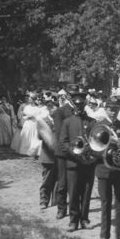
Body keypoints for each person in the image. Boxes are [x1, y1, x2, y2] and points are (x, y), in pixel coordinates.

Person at [96, 99, 120, 239]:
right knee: (105, 203)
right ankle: (104, 235)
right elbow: (91, 148)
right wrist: (105, 153)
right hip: (104, 169)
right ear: (106, 109)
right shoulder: (98, 126)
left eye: (116, 109)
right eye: (111, 108)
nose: (113, 111)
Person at [58, 87, 95, 232]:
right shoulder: (67, 122)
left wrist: (90, 154)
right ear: (73, 104)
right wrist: (76, 153)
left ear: (85, 104)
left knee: (86, 193)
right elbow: (63, 143)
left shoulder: (92, 121)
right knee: (73, 193)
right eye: (76, 104)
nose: (79, 106)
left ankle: (84, 219)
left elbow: (96, 141)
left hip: (88, 163)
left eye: (81, 104)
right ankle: (73, 221)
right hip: (73, 163)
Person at [50, 89, 74, 220]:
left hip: (77, 152)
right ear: (68, 97)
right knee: (63, 182)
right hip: (64, 151)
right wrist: (71, 148)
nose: (77, 100)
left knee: (75, 182)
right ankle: (61, 208)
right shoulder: (60, 111)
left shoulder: (81, 111)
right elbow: (60, 135)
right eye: (73, 96)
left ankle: (75, 208)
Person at [11, 93, 45, 157]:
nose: (29, 100)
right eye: (29, 99)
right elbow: (24, 115)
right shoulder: (26, 107)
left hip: (34, 123)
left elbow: (38, 116)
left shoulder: (37, 108)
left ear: (34, 100)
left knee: (33, 136)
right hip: (27, 122)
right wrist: (27, 117)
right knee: (25, 135)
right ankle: (24, 150)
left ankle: (32, 150)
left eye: (31, 99)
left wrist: (33, 116)